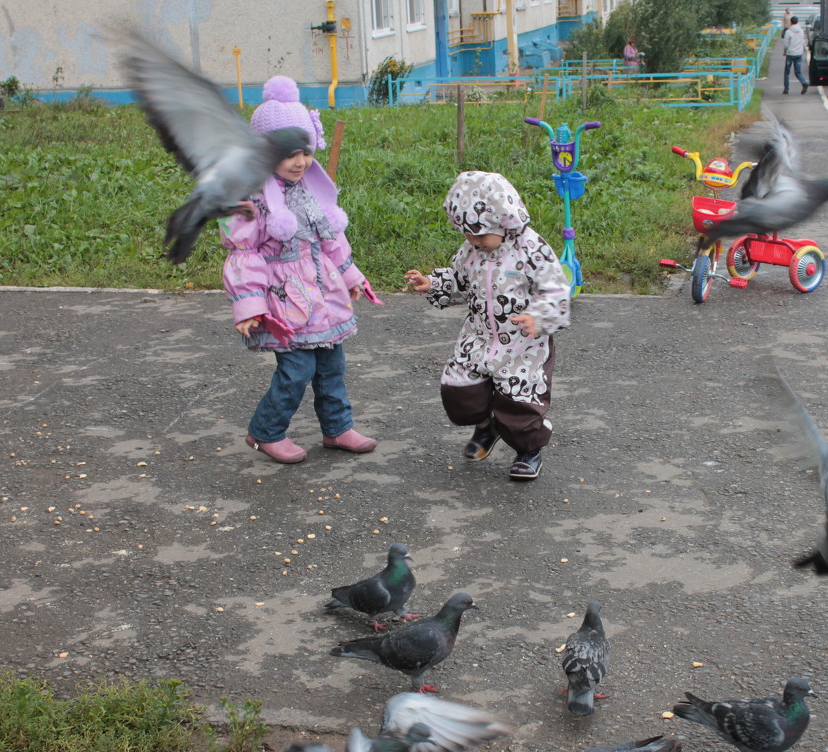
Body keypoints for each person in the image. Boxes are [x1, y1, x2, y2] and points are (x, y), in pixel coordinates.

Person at [221, 75, 382, 465]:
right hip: (286, 303)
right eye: (289, 153)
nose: (300, 161)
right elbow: (244, 256)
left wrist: (352, 276)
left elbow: (331, 241)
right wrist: (249, 306)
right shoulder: (254, 201)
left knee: (332, 366)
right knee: (296, 370)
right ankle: (266, 431)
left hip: (323, 296)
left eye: (306, 152)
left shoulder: (310, 192)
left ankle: (337, 427)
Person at [404, 171, 571, 481]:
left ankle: (529, 450)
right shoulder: (471, 250)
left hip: (522, 344)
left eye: (480, 235)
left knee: (519, 403)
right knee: (458, 392)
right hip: (478, 336)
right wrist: (433, 283)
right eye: (467, 235)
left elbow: (555, 290)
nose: (474, 242)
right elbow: (460, 281)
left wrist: (540, 316)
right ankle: (486, 424)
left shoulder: (531, 249)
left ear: (503, 221)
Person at [781, 16, 809, 95]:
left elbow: (786, 44)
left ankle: (786, 89)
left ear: (791, 22)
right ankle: (804, 82)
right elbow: (802, 41)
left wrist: (785, 51)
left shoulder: (788, 31)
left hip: (790, 53)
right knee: (798, 72)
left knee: (787, 72)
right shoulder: (801, 31)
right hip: (799, 53)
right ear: (797, 22)